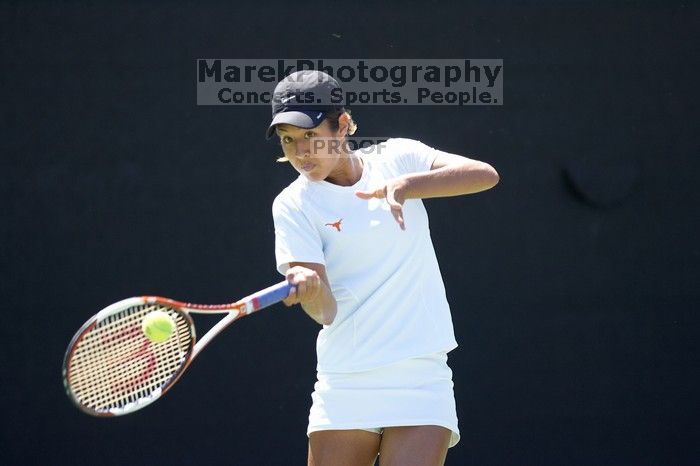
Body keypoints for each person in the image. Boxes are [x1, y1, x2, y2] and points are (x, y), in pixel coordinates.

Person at [267, 70, 499, 466]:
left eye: (310, 136)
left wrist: (407, 185)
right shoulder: (292, 205)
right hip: (345, 380)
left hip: (420, 374)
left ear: (342, 126)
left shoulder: (397, 156)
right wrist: (310, 288)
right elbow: (325, 311)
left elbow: (485, 175)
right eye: (289, 141)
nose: (301, 152)